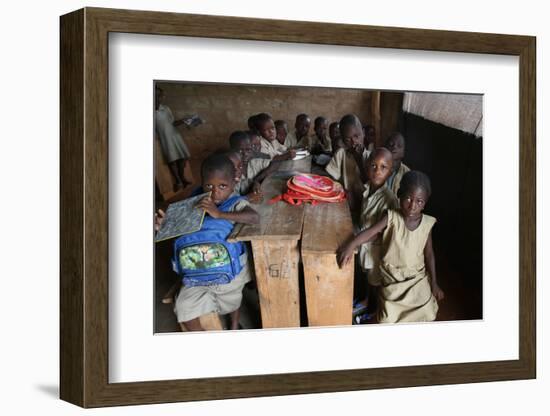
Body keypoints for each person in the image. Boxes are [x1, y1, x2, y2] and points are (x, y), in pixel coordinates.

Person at [168, 153, 260, 331]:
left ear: (234, 183)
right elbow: (178, 228)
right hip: (195, 271)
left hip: (228, 272)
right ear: (201, 183)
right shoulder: (195, 201)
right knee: (183, 307)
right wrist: (163, 226)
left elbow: (254, 217)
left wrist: (219, 214)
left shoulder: (235, 202)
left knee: (232, 302)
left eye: (223, 186)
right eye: (209, 185)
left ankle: (234, 324)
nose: (215, 191)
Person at [337, 170, 444, 323]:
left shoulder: (427, 224)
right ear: (399, 195)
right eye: (408, 198)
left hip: (416, 278)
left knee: (427, 312)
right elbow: (371, 232)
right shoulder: (391, 217)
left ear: (425, 203)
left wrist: (434, 283)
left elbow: (429, 254)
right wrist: (351, 244)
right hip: (392, 276)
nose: (412, 206)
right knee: (388, 318)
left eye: (419, 201)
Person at [353, 148, 398, 316]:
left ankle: (371, 306)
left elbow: (379, 233)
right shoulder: (367, 189)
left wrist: (354, 242)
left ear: (390, 171)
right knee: (366, 276)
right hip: (365, 246)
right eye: (373, 165)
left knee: (374, 280)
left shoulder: (389, 199)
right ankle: (365, 299)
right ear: (366, 167)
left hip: (375, 250)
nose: (377, 171)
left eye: (383, 167)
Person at [325, 114, 370, 216]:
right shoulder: (341, 154)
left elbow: (369, 184)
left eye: (356, 136)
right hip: (345, 204)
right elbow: (331, 179)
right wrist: (342, 190)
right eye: (347, 140)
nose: (354, 142)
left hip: (365, 207)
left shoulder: (371, 157)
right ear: (342, 140)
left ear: (363, 133)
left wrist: (359, 160)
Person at [154, 86, 192, 192]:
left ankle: (183, 178)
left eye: (159, 95)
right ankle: (178, 181)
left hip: (175, 136)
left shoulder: (165, 108)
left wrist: (183, 120)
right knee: (172, 160)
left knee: (182, 158)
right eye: (155, 95)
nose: (157, 97)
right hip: (163, 138)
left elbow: (172, 123)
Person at [229, 131, 280, 202]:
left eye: (248, 150)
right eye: (240, 151)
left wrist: (256, 180)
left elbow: (275, 164)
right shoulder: (230, 173)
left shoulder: (253, 163)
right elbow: (228, 202)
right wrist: (247, 197)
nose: (245, 154)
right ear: (232, 150)